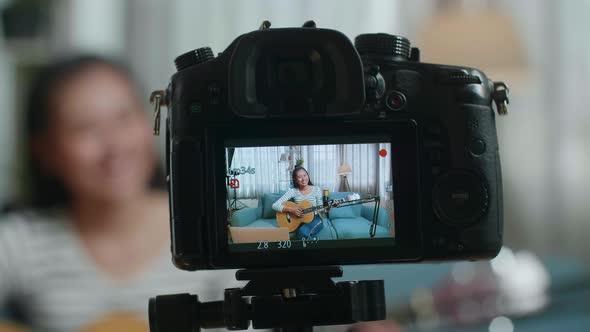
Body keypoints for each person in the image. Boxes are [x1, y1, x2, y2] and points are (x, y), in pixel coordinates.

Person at [0, 56, 237, 332]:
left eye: (124, 118)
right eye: (84, 128)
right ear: (44, 150)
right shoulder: (23, 242)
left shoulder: (212, 227)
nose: (114, 146)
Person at [272, 167, 325, 239]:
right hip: (299, 220)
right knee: (301, 232)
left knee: (302, 232)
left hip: (315, 218)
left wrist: (325, 209)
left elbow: (320, 209)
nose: (303, 179)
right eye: (299, 177)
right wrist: (291, 210)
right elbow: (275, 205)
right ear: (295, 180)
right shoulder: (293, 191)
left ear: (308, 175)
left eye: (305, 175)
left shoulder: (316, 189)